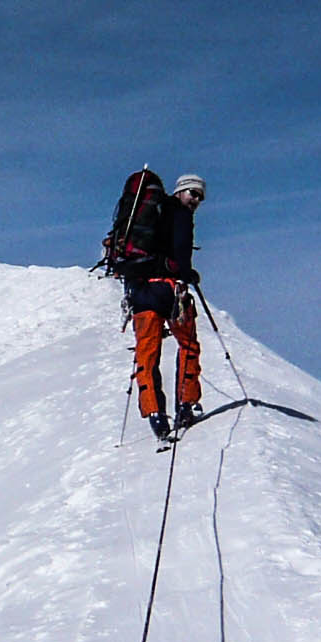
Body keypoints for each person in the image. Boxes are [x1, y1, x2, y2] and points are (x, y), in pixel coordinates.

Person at [119, 173, 205, 442]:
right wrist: (187, 273)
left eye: (200, 197)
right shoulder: (180, 214)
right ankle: (185, 405)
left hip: (140, 291)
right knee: (188, 344)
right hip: (169, 291)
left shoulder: (150, 213)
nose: (196, 200)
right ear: (180, 191)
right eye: (193, 193)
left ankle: (155, 415)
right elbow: (180, 253)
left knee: (147, 353)